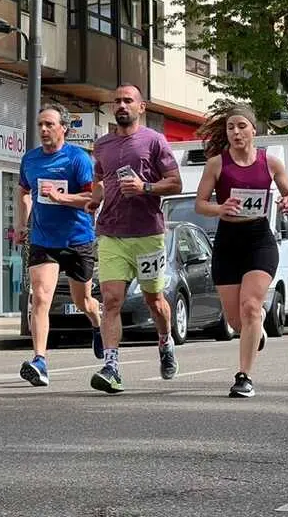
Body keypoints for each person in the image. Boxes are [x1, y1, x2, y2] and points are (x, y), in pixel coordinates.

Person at [193, 104, 288, 398]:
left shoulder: (270, 163)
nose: (236, 132)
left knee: (251, 306)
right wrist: (220, 207)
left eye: (241, 126)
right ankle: (256, 331)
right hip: (228, 241)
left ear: (254, 130)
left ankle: (244, 377)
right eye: (230, 128)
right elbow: (200, 204)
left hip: (259, 240)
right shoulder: (216, 164)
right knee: (235, 320)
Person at [85, 84, 183, 394]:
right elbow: (100, 180)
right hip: (111, 233)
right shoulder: (102, 145)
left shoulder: (154, 141)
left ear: (141, 107)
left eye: (128, 101)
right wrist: (94, 200)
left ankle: (165, 342)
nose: (122, 105)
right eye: (117, 101)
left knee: (155, 300)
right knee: (111, 301)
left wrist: (146, 188)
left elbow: (176, 183)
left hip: (147, 234)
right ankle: (112, 367)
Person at [16, 104, 103, 387]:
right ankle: (40, 361)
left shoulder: (78, 159)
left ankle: (96, 323)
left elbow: (92, 200)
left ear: (63, 128)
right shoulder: (30, 160)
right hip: (43, 239)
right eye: (40, 124)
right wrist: (21, 224)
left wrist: (61, 198)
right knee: (40, 298)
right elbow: (24, 192)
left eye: (49, 124)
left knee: (83, 301)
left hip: (77, 239)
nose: (43, 130)